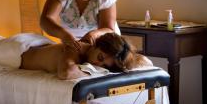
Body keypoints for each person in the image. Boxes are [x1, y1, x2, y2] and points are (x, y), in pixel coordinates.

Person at [20, 32, 153, 80]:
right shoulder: (76, 48)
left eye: (105, 66)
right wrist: (94, 73)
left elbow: (145, 61)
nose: (98, 65)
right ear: (95, 45)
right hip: (19, 53)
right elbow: (65, 73)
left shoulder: (94, 57)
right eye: (100, 57)